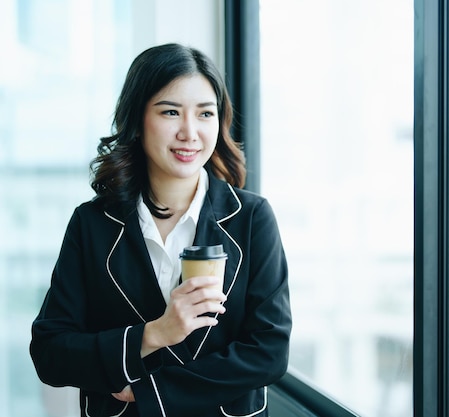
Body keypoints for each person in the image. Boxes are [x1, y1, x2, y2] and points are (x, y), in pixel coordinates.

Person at [30, 43, 291, 417]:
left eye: (205, 114)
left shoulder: (251, 218)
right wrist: (153, 334)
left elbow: (269, 352)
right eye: (171, 112)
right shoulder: (92, 224)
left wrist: (152, 393)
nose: (190, 132)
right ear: (137, 120)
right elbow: (51, 352)